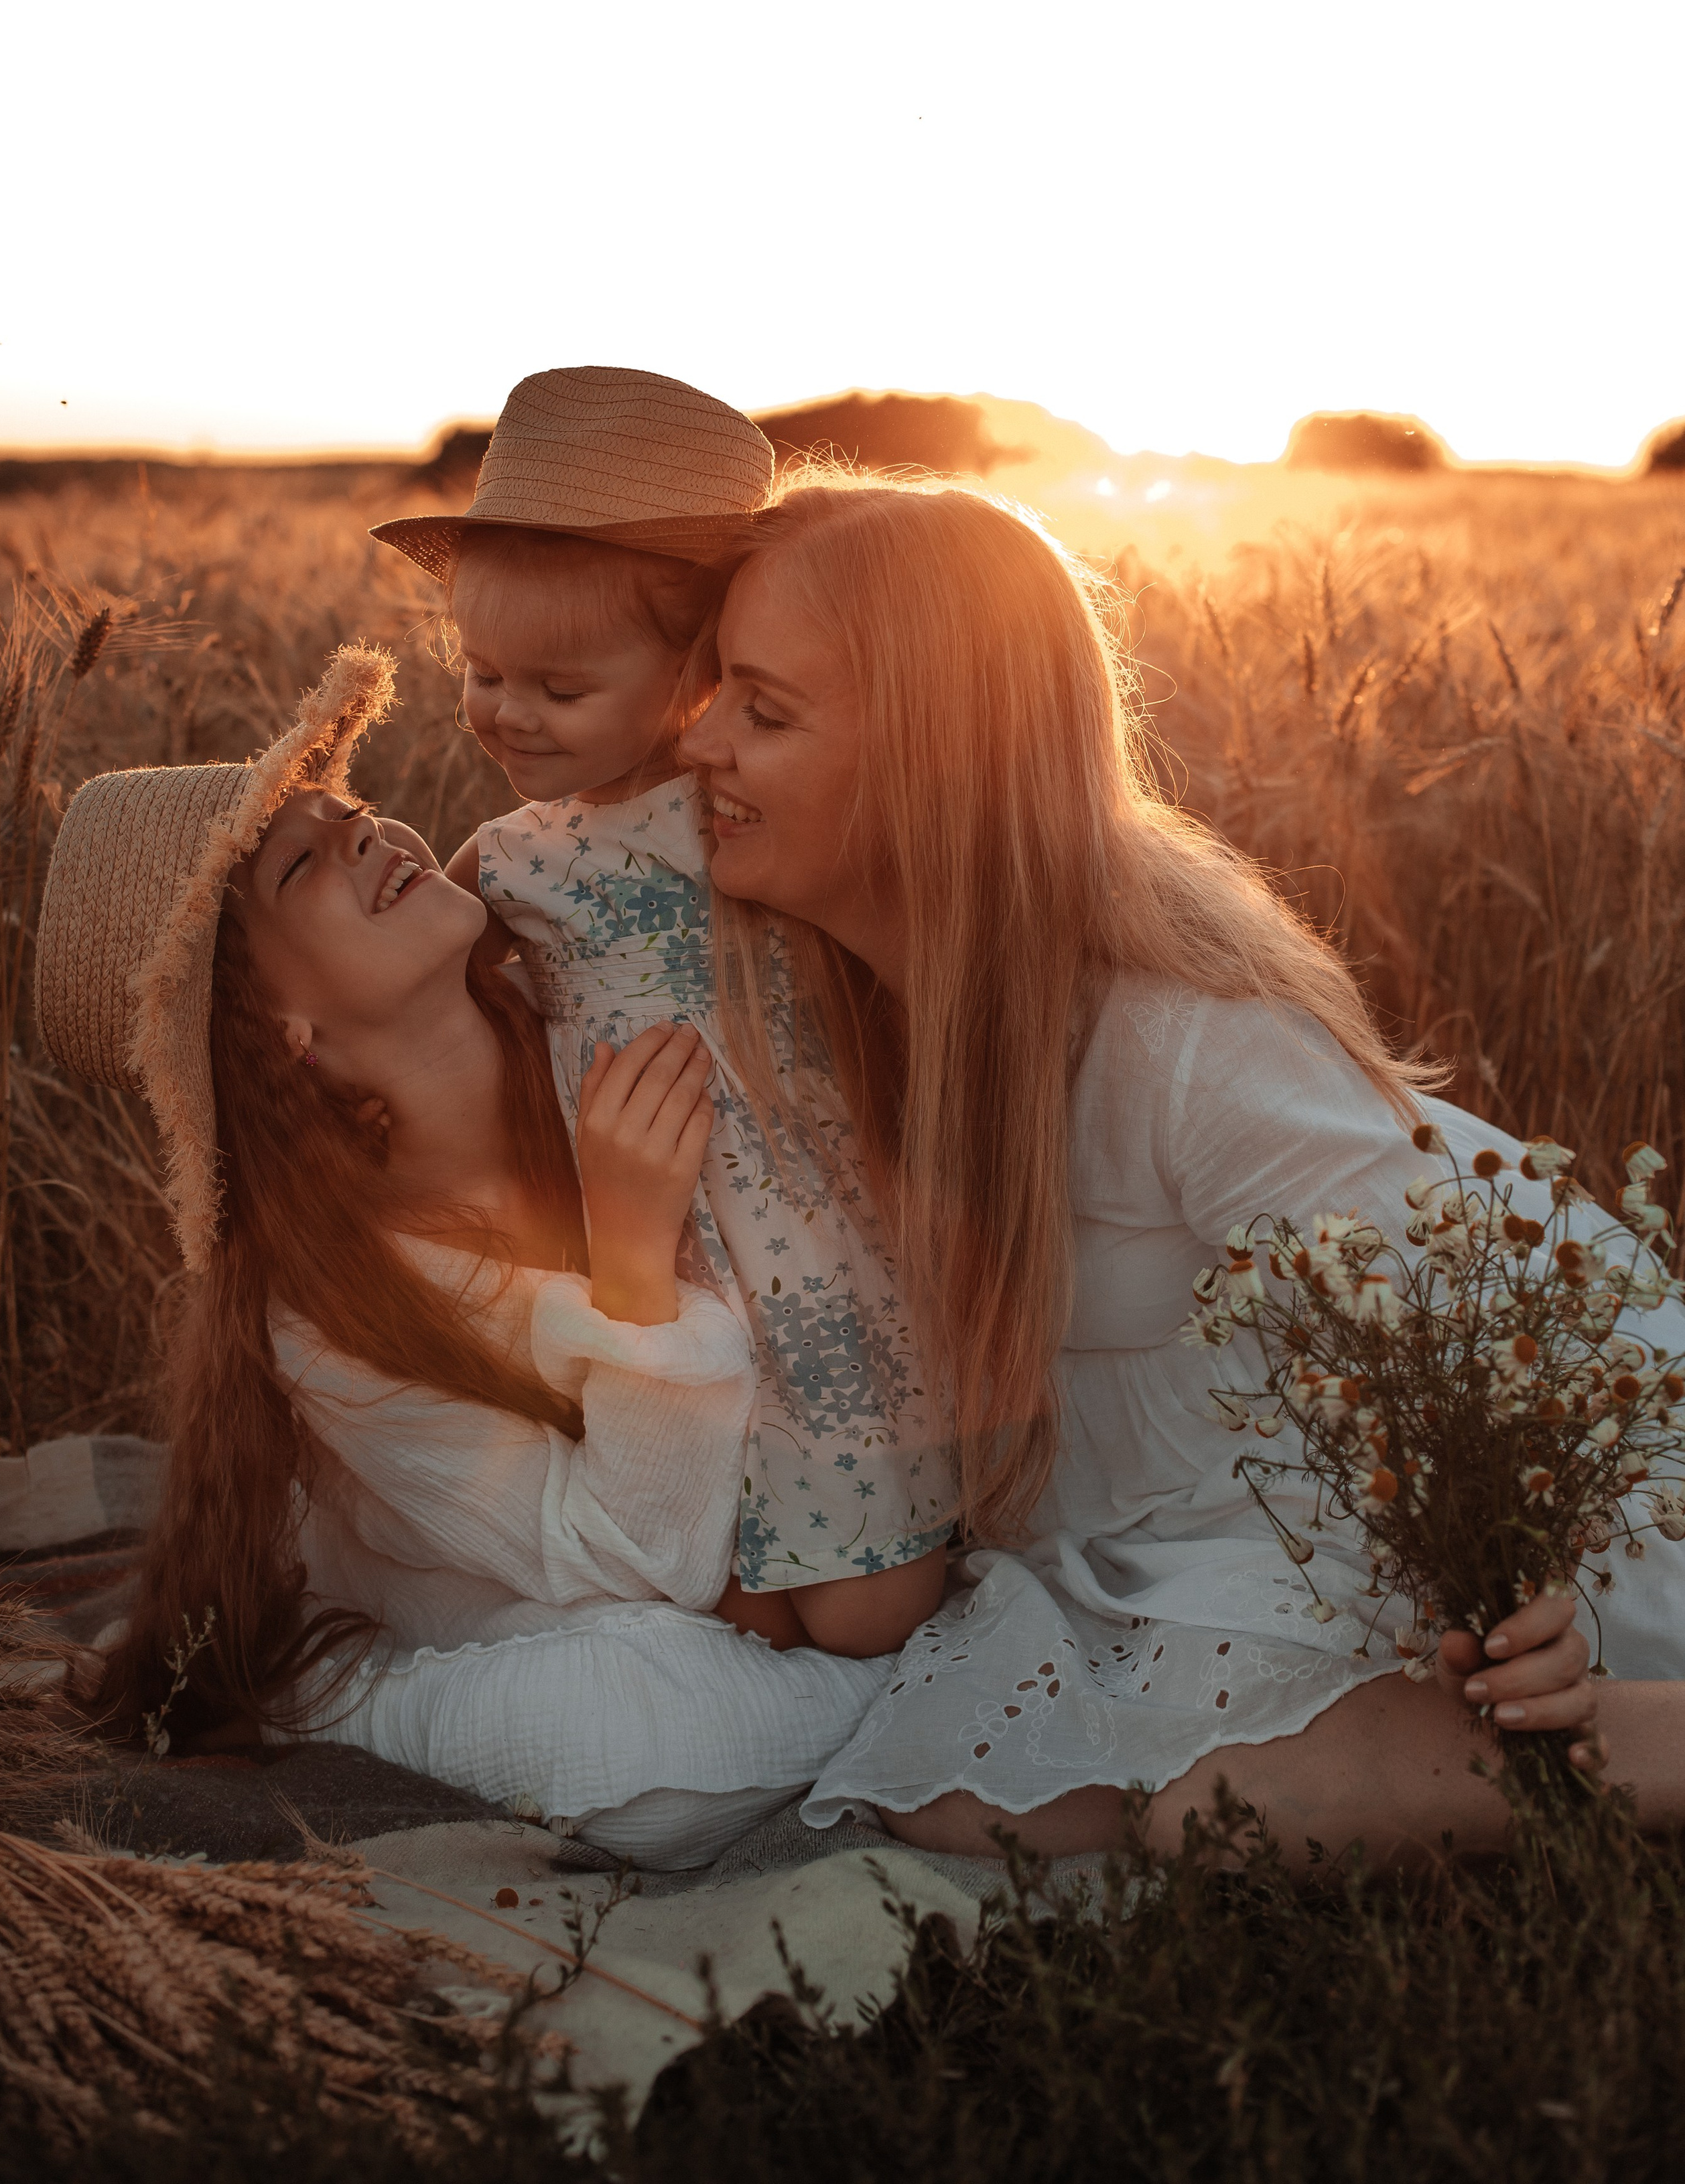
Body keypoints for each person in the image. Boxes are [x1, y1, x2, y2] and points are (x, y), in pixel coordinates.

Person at [675, 471, 1685, 1870]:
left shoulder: (1181, 1042)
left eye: (762, 711)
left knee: (1225, 1814)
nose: (700, 739)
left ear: (934, 758)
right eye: (715, 687)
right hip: (1180, 1523)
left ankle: (1655, 1736)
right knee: (967, 1797)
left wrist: (1532, 1574)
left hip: (1450, 1487)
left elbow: (1467, 1328)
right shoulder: (828, 1015)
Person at [35, 644, 885, 1870]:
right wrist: (633, 1260)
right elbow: (640, 1565)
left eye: (353, 812)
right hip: (540, 1611)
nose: (372, 833)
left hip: (763, 1567)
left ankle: (894, 1684)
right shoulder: (330, 1312)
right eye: (304, 864)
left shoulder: (585, 999)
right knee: (624, 1732)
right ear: (279, 1029)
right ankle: (343, 1701)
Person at [373, 366, 954, 1649]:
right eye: (480, 673)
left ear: (696, 670)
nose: (507, 714)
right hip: (651, 1221)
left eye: (558, 689)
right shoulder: (511, 860)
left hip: (805, 1206)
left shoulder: (750, 802)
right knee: (732, 1587)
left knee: (873, 1603)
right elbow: (423, 977)